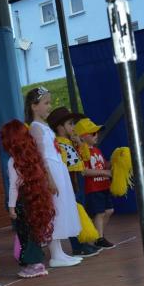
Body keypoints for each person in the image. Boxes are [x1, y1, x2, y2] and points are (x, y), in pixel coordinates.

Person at [25, 87, 82, 267]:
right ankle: (55, 255)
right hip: (51, 171)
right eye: (46, 103)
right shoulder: (35, 127)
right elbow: (41, 156)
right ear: (34, 106)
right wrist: (49, 178)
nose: (49, 106)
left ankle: (60, 252)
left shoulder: (44, 126)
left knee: (60, 208)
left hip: (58, 167)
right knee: (54, 210)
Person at [0, 120, 55, 278]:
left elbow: (13, 186)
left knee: (25, 233)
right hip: (35, 198)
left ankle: (35, 264)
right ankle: (35, 262)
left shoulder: (13, 162)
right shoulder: (34, 157)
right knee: (34, 231)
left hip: (22, 201)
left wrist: (11, 207)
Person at [47, 107, 101, 258]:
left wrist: (80, 143)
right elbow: (62, 165)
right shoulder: (58, 144)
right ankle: (77, 246)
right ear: (60, 127)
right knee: (73, 212)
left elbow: (85, 158)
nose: (73, 127)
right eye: (70, 124)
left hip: (78, 180)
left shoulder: (70, 142)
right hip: (70, 181)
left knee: (80, 211)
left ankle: (83, 242)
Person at [75, 117, 116, 249]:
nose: (96, 135)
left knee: (109, 210)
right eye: (93, 133)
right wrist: (105, 173)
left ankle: (97, 235)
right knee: (100, 213)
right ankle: (99, 238)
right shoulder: (82, 152)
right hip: (93, 188)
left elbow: (103, 165)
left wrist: (115, 161)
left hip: (104, 186)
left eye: (97, 133)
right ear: (83, 136)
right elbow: (85, 171)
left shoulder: (97, 150)